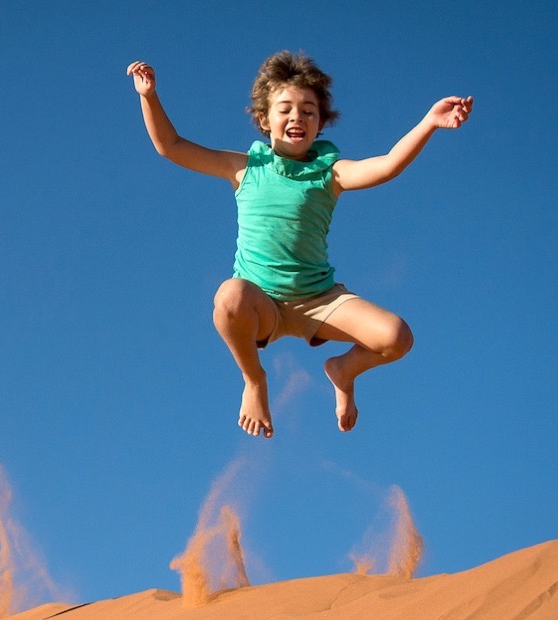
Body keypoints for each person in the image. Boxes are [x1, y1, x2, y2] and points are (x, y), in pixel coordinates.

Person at [127, 52, 471, 439]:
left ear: (321, 123)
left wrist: (429, 122)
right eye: (285, 109)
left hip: (319, 300)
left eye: (309, 111)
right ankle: (255, 380)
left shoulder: (331, 173)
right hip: (262, 304)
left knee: (397, 338)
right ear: (264, 119)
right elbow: (171, 146)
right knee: (229, 296)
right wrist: (149, 96)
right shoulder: (243, 167)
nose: (297, 118)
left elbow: (388, 164)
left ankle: (343, 370)